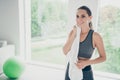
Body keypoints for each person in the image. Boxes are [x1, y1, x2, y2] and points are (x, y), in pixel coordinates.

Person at [63, 6, 106, 80]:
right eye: (77, 16)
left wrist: (86, 63)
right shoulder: (73, 32)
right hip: (71, 69)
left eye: (83, 16)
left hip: (86, 71)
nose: (79, 19)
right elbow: (65, 51)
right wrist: (74, 34)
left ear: (90, 18)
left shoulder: (95, 36)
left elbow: (103, 57)